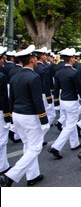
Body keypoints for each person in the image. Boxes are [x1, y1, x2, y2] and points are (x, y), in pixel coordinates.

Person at [0, 45, 50, 187]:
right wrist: (44, 119)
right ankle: (10, 176)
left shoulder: (16, 76)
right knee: (35, 147)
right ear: (33, 60)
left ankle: (32, 175)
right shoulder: (34, 77)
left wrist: (9, 118)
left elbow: (11, 98)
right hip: (30, 116)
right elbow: (37, 101)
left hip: (17, 114)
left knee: (28, 145)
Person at [48, 48, 81, 159]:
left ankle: (75, 143)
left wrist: (56, 102)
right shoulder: (74, 72)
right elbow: (79, 88)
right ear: (71, 59)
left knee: (70, 121)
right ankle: (56, 147)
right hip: (72, 100)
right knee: (70, 124)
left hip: (63, 100)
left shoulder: (58, 72)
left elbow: (56, 88)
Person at [0, 47, 11, 175]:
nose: (4, 61)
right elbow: (3, 98)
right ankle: (2, 166)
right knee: (2, 140)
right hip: (0, 110)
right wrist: (8, 116)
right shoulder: (1, 76)